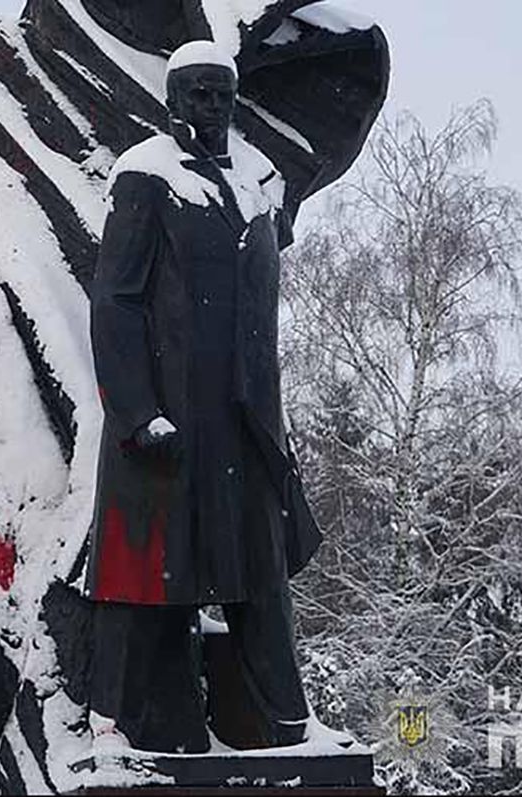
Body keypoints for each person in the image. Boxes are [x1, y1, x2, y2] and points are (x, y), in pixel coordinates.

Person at [85, 40, 322, 755]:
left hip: (244, 417)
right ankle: (131, 729)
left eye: (223, 94)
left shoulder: (256, 181)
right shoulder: (145, 177)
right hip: (168, 415)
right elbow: (117, 300)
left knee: (261, 573)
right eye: (199, 93)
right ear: (172, 101)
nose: (213, 107)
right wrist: (137, 411)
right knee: (157, 577)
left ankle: (292, 726)